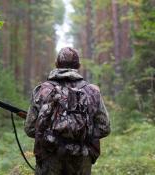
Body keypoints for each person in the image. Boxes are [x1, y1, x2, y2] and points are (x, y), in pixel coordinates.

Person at [24, 47, 111, 175]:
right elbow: (105, 128)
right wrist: (82, 133)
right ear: (79, 66)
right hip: (82, 158)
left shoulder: (42, 90)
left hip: (50, 158)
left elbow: (30, 129)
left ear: (57, 64)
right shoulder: (92, 91)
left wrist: (51, 131)